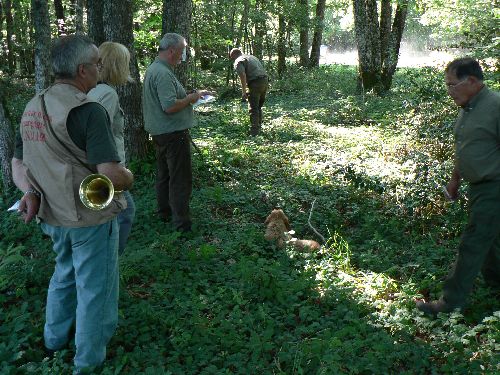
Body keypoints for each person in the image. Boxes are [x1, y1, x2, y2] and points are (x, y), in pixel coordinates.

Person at [11, 34, 133, 373]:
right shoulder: (89, 110)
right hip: (89, 219)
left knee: (63, 275)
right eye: (96, 64)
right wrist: (129, 177)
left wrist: (30, 193)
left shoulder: (34, 104)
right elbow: (109, 173)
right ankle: (88, 362)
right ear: (82, 70)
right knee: (96, 290)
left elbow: (17, 164)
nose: (100, 68)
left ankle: (53, 343)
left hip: (50, 215)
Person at [416, 57, 500, 315]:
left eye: (452, 85)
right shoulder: (469, 109)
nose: (449, 91)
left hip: (494, 187)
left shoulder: (495, 106)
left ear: (472, 81)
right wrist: (455, 179)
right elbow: (466, 147)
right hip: (478, 187)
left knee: (474, 241)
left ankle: (449, 302)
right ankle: (496, 287)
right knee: (493, 240)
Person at [142, 33, 208, 232]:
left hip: (161, 133)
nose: (183, 55)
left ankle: (164, 213)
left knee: (164, 175)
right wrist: (191, 98)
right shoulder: (162, 73)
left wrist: (192, 96)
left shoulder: (156, 69)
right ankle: (182, 224)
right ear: (171, 51)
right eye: (181, 51)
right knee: (179, 179)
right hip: (172, 134)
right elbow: (169, 106)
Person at [88, 41, 136, 255]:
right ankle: (109, 265)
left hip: (99, 170)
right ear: (117, 66)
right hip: (105, 172)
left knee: (120, 215)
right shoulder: (107, 94)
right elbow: (96, 133)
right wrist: (113, 171)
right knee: (124, 214)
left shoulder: (95, 90)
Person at [229, 48, 268, 136]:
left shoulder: (238, 61)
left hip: (254, 83)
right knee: (258, 107)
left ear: (234, 55)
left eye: (232, 57)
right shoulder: (252, 57)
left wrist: (244, 91)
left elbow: (242, 75)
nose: (232, 59)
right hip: (264, 81)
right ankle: (259, 128)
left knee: (253, 108)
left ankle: (254, 133)